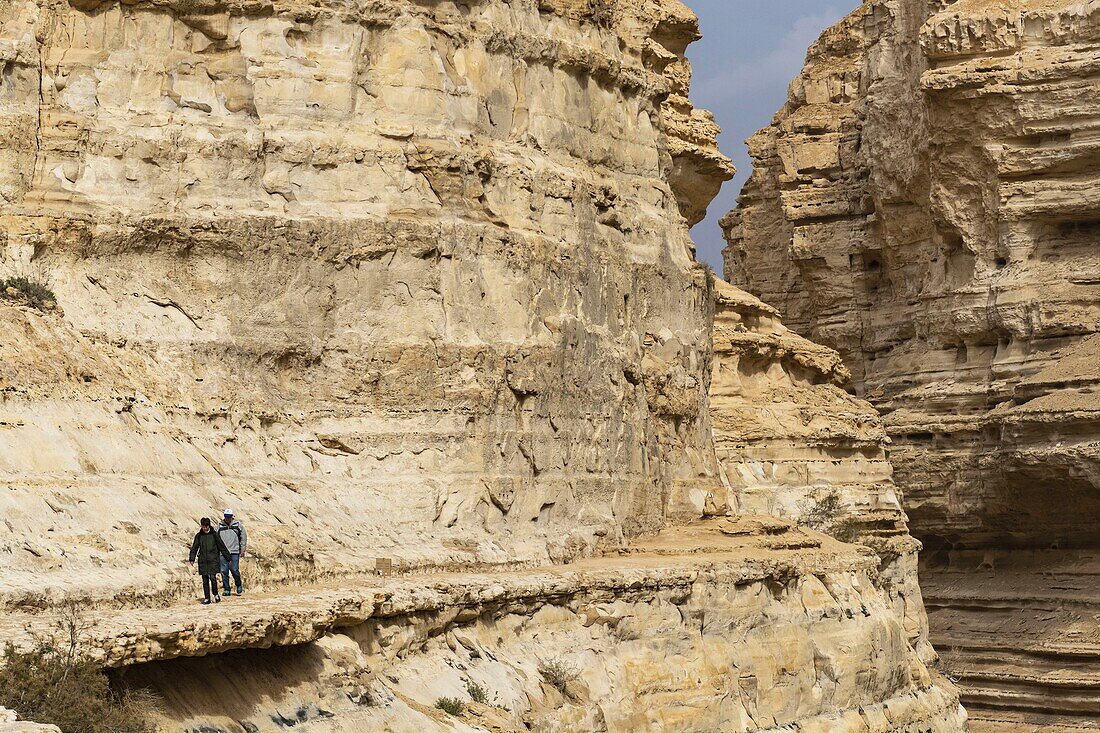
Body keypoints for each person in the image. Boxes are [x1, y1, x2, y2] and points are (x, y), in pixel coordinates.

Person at [189, 517, 230, 604]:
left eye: (206, 526)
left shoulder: (214, 535)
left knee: (212, 578)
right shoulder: (199, 536)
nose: (205, 528)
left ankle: (215, 594)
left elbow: (221, 546)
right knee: (205, 579)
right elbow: (194, 547)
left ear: (209, 526)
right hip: (203, 561)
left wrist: (228, 557)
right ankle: (207, 597)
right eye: (203, 526)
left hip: (213, 560)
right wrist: (192, 558)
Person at [217, 508, 248, 596]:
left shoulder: (238, 525)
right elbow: (215, 538)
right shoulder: (219, 526)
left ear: (232, 516)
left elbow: (243, 537)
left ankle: (238, 584)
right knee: (224, 571)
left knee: (234, 569)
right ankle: (227, 589)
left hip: (234, 551)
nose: (228, 518)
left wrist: (242, 549)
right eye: (226, 517)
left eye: (229, 517)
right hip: (223, 552)